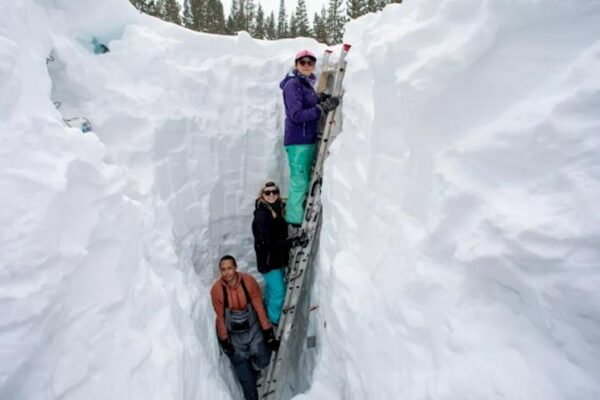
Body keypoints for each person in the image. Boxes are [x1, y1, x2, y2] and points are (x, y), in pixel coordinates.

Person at [279, 50, 340, 227]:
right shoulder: (293, 85)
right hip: (298, 140)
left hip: (306, 139)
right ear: (296, 64)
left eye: (310, 62)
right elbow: (296, 115)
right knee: (299, 181)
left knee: (302, 179)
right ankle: (294, 221)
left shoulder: (304, 84)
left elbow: (304, 104)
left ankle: (296, 215)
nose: (307, 65)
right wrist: (321, 108)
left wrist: (318, 99)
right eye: (302, 62)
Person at [211, 255, 279, 400]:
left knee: (265, 359)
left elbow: (259, 307)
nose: (227, 273)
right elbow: (221, 317)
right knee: (247, 382)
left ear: (235, 268)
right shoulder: (217, 290)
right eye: (223, 270)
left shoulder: (248, 282)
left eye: (229, 268)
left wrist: (267, 331)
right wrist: (224, 341)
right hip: (234, 337)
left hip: (253, 330)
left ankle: (253, 367)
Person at [251, 182, 291, 326]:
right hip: (269, 263)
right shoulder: (262, 216)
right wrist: (290, 243)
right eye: (267, 193)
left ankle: (266, 312)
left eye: (274, 191)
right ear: (262, 195)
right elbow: (267, 242)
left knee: (272, 289)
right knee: (279, 291)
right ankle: (274, 321)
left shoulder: (278, 208)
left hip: (277, 260)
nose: (271, 195)